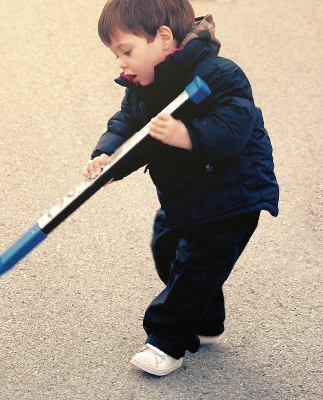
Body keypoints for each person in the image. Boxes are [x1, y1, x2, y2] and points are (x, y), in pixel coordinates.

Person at [83, 0, 279, 376]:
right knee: (167, 249)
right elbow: (128, 125)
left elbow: (236, 126)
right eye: (115, 55)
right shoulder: (144, 86)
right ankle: (205, 321)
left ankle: (167, 342)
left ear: (162, 37)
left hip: (233, 199)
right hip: (185, 199)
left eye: (126, 51)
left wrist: (187, 135)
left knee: (194, 268)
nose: (121, 63)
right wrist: (109, 158)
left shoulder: (218, 75)